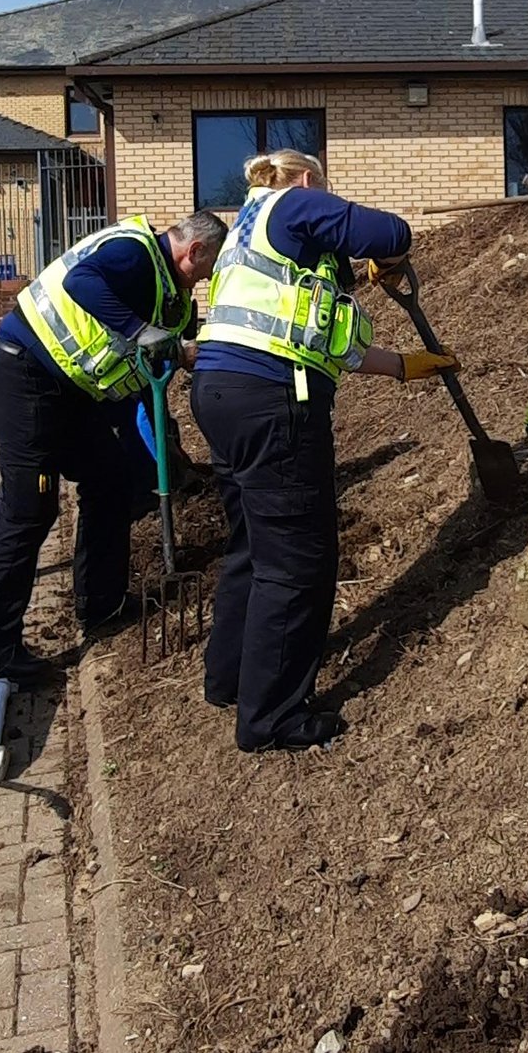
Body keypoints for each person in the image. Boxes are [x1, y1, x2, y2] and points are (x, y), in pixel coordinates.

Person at [190, 149, 457, 753]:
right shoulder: (297, 200)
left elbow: (330, 344)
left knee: (251, 547)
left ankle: (229, 678)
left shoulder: (249, 238)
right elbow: (395, 232)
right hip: (272, 402)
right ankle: (273, 718)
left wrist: (404, 367)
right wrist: (386, 255)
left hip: (221, 391)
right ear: (309, 180)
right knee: (298, 562)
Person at [0, 206, 227, 684]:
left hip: (66, 391)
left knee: (111, 480)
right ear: (195, 251)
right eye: (207, 271)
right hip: (21, 376)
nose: (202, 282)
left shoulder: (164, 284)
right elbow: (80, 284)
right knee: (30, 510)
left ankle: (101, 605)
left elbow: (164, 343)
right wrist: (142, 334)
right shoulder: (133, 252)